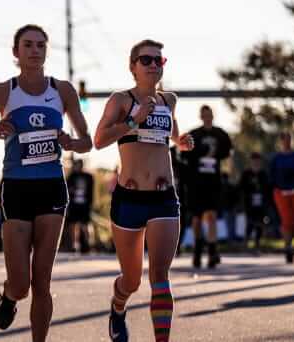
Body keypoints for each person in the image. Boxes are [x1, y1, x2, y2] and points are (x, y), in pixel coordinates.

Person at [0, 24, 91, 341]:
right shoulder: (3, 92)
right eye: (28, 45)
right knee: (21, 284)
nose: (35, 50)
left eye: (40, 45)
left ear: (46, 51)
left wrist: (70, 142)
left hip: (51, 186)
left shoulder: (62, 90)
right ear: (15, 52)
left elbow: (86, 140)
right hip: (17, 188)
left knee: (42, 282)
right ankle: (8, 295)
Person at [94, 39, 194, 342]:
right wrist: (131, 120)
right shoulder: (121, 100)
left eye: (158, 61)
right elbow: (99, 140)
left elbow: (171, 129)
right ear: (133, 66)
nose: (153, 65)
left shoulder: (169, 100)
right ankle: (118, 307)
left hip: (164, 198)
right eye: (146, 60)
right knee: (132, 279)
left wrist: (180, 141)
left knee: (160, 277)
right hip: (130, 199)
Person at [183, 105, 232, 269]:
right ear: (200, 116)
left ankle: (212, 251)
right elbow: (184, 153)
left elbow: (227, 152)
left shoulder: (220, 134)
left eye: (209, 114)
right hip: (197, 183)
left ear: (213, 115)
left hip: (213, 181)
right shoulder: (194, 134)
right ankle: (197, 250)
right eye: (204, 115)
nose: (207, 117)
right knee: (196, 218)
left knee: (211, 215)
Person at [269, 132, 294, 264]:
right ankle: (288, 247)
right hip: (281, 193)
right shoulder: (276, 158)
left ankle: (289, 243)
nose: (287, 142)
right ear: (280, 142)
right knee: (286, 219)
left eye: (289, 139)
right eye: (284, 140)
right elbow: (271, 177)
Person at [239, 152, 271, 253]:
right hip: (249, 203)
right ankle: (246, 242)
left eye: (257, 161)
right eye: (254, 161)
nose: (256, 163)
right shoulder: (246, 174)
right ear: (251, 162)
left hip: (261, 203)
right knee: (250, 222)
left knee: (260, 224)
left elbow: (267, 188)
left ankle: (257, 244)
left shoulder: (263, 174)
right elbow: (241, 187)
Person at [66, 159, 95, 253]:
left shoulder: (89, 176)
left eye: (80, 164)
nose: (78, 166)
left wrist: (91, 204)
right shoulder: (71, 176)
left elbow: (92, 191)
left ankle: (88, 244)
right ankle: (74, 245)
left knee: (85, 224)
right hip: (73, 204)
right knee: (72, 224)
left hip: (85, 204)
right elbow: (67, 189)